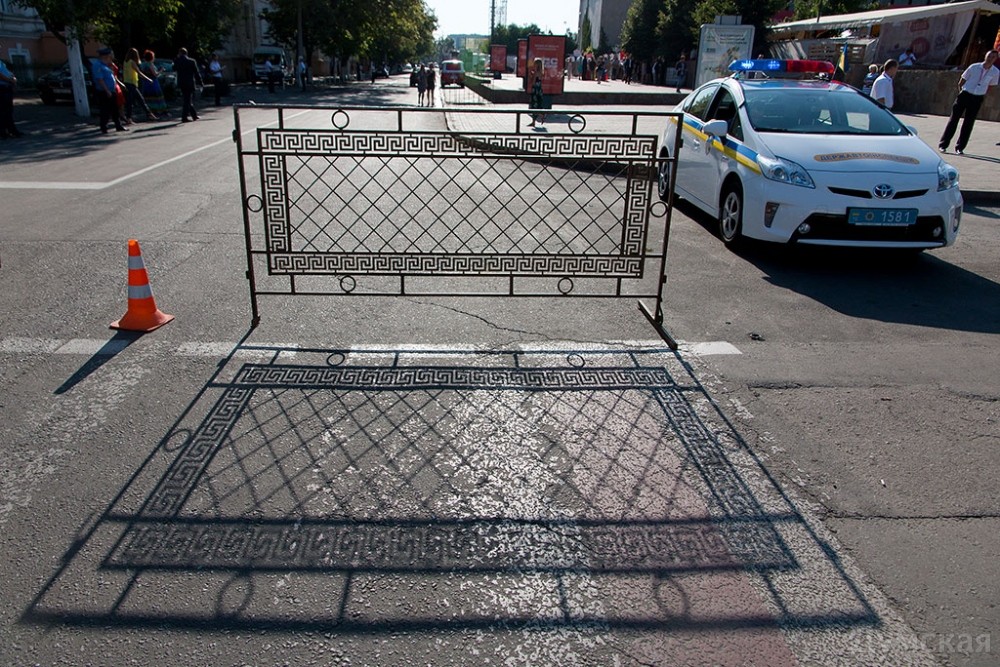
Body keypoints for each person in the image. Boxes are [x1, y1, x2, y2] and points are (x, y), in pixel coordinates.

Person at [938, 49, 999, 154]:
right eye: (989, 56)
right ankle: (943, 145)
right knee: (953, 120)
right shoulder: (974, 67)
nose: (990, 59)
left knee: (968, 123)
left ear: (996, 59)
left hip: (977, 98)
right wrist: (962, 92)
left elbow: (991, 86)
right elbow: (962, 81)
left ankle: (960, 147)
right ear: (985, 56)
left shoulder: (995, 72)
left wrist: (982, 93)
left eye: (993, 57)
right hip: (965, 94)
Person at [92, 48, 127, 134]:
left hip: (111, 90)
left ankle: (118, 125)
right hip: (104, 91)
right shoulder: (97, 65)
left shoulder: (105, 65)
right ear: (104, 56)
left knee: (115, 109)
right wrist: (107, 90)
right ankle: (104, 127)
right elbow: (100, 79)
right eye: (109, 56)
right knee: (105, 110)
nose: (110, 58)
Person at [122, 48, 157, 122]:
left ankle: (148, 114)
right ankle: (130, 118)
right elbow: (139, 72)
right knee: (137, 100)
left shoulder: (125, 62)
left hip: (127, 82)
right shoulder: (132, 62)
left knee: (134, 100)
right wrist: (148, 79)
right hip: (132, 83)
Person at [174, 47, 203, 122]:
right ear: (186, 53)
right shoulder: (192, 61)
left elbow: (174, 68)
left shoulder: (177, 61)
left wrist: (177, 59)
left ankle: (194, 115)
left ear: (180, 53)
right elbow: (196, 73)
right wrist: (200, 82)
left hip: (181, 82)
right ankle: (184, 117)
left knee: (187, 99)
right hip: (190, 82)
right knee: (187, 100)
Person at [0, 50, 22, 138]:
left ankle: (11, 130)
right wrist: (10, 80)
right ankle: (3, 132)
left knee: (8, 111)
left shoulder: (1, 62)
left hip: (6, 87)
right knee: (3, 111)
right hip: (2, 88)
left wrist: (13, 77)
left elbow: (7, 72)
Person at [140, 50, 168, 115]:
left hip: (146, 82)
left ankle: (150, 110)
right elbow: (155, 74)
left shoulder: (143, 64)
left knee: (148, 96)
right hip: (153, 82)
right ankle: (158, 110)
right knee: (156, 96)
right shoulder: (150, 64)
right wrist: (161, 70)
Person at [527, 57, 545, 127]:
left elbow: (533, 82)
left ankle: (538, 117)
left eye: (535, 63)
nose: (533, 65)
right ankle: (540, 116)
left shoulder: (536, 73)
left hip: (535, 90)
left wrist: (530, 75)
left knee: (534, 105)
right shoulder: (541, 72)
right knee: (539, 104)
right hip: (539, 90)